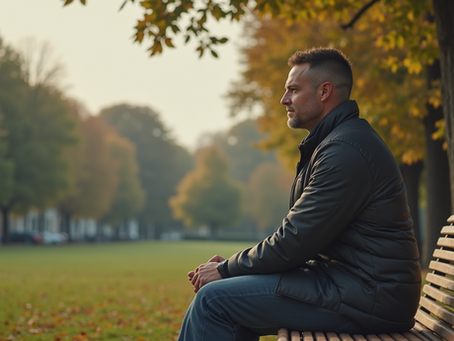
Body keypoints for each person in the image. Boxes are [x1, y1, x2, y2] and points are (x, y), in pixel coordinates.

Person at [177, 47, 421, 341]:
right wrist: (234, 269)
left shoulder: (345, 151)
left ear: (324, 92)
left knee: (212, 301)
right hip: (355, 290)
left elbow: (294, 242)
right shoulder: (335, 144)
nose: (284, 100)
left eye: (293, 89)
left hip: (368, 299)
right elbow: (297, 239)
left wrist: (227, 269)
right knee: (229, 305)